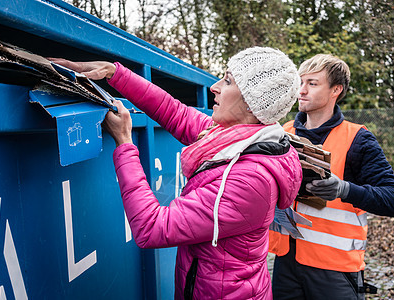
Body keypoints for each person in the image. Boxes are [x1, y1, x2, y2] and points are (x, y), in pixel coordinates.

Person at [51, 47, 303, 299]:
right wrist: (115, 73)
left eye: (227, 81)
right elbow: (175, 113)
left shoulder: (250, 180)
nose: (214, 87)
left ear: (250, 104)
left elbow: (151, 228)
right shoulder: (234, 137)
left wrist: (125, 143)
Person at [269, 54, 394, 299]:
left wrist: (344, 190)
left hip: (335, 272)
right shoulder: (283, 133)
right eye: (300, 82)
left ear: (336, 89)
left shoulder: (358, 139)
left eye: (312, 83)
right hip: (285, 266)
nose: (301, 91)